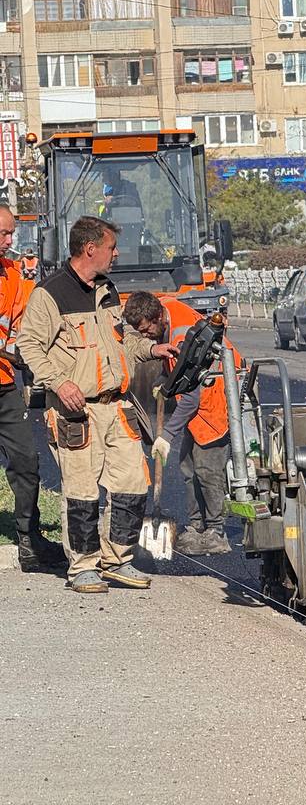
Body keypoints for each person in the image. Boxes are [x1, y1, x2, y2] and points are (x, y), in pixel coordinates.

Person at [16, 216, 177, 593]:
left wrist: (152, 348)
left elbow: (122, 342)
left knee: (133, 483)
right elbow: (29, 346)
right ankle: (83, 567)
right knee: (82, 491)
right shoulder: (50, 294)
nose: (116, 254)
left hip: (116, 407)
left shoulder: (107, 289)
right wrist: (59, 382)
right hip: (75, 411)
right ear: (90, 249)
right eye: (111, 248)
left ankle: (117, 559)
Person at [122, 291, 236, 556]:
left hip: (217, 399)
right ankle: (197, 527)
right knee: (188, 467)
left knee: (207, 470)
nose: (146, 336)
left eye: (147, 329)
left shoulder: (183, 336)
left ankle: (216, 532)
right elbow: (176, 367)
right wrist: (165, 379)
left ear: (158, 317)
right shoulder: (165, 310)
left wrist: (167, 436)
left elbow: (192, 398)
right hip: (199, 398)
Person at [0, 207, 63, 573]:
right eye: (4, 234)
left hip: (4, 384)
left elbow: (31, 324)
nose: (10, 241)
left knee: (26, 460)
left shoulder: (13, 275)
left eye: (11, 233)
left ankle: (29, 540)